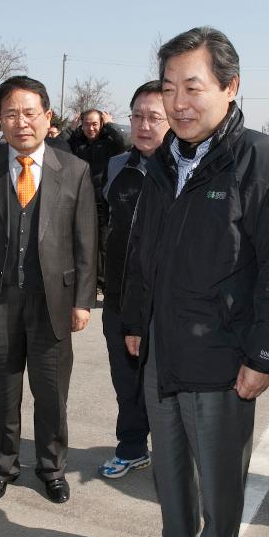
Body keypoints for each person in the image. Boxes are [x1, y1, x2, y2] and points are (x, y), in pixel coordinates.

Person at [122, 26, 269, 537]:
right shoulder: (163, 161)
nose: (179, 102)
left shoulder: (260, 159)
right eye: (170, 87)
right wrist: (135, 321)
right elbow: (142, 252)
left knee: (220, 471)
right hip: (163, 344)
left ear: (231, 87)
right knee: (170, 461)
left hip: (224, 352)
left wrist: (264, 356)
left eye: (193, 86)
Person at [0, 76, 97, 505]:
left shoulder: (73, 170)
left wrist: (83, 301)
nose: (21, 122)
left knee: (51, 393)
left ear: (48, 117)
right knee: (3, 392)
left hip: (52, 301)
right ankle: (2, 468)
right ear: (0, 119)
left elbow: (87, 241)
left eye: (30, 112)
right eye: (11, 113)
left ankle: (52, 469)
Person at [96, 81, 168, 480]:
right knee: (125, 378)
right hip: (120, 296)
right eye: (137, 116)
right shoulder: (116, 166)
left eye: (154, 117)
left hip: (166, 302)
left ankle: (175, 454)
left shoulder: (185, 172)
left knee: (166, 384)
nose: (143, 125)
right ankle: (132, 446)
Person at [68, 108, 127, 288]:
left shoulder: (109, 142)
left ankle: (104, 283)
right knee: (82, 244)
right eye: (86, 124)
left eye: (95, 124)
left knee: (104, 245)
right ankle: (87, 282)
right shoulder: (76, 142)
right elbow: (56, 147)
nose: (90, 128)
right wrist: (70, 129)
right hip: (80, 202)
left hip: (103, 202)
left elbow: (124, 142)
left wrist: (110, 125)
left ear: (101, 124)